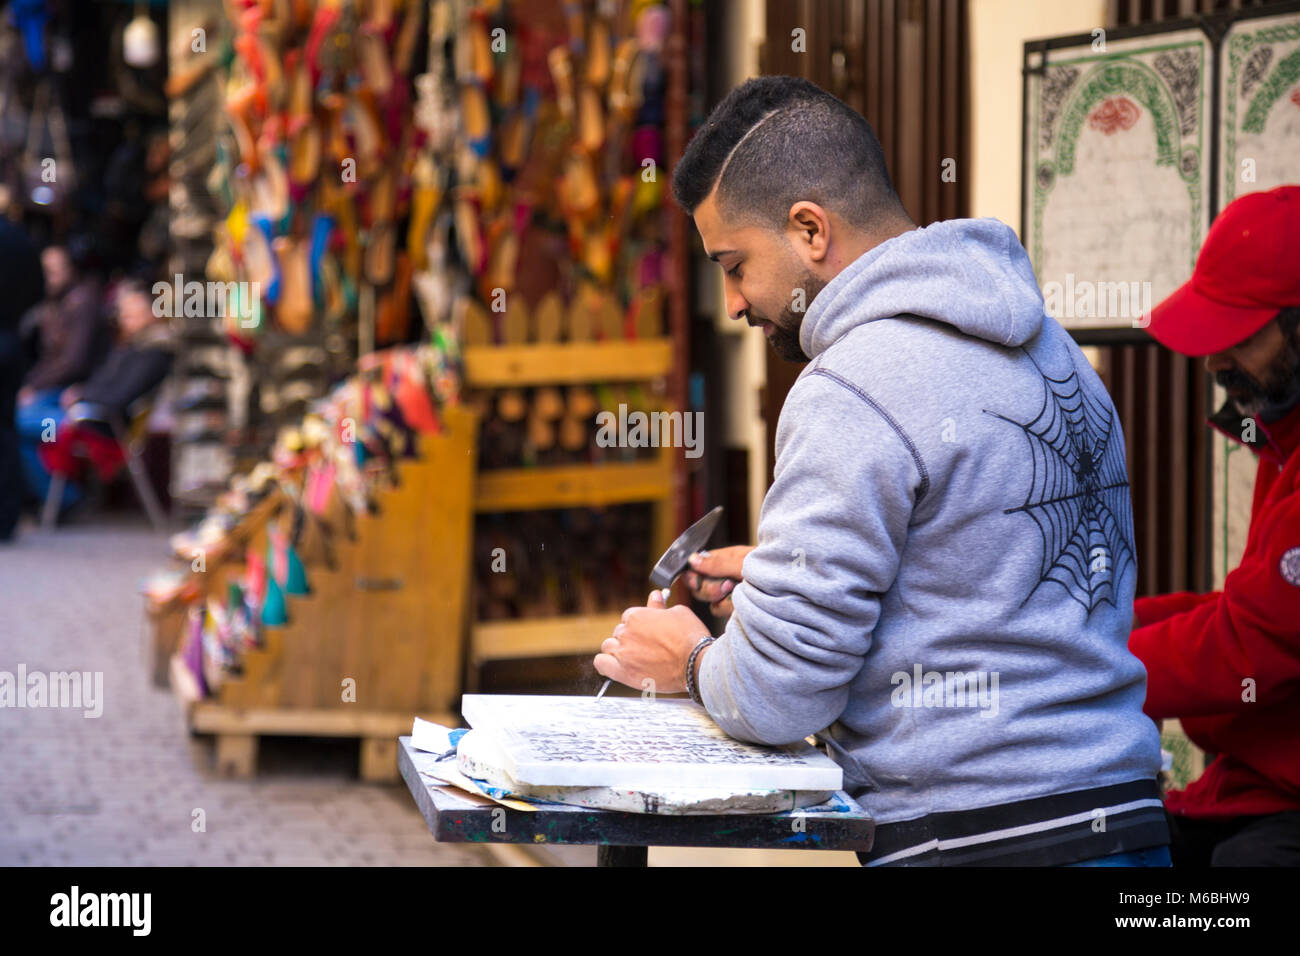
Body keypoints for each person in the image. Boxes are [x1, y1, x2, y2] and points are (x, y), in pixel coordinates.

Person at [593, 76, 1168, 866]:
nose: (732, 302)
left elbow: (776, 694)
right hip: (1127, 820)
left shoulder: (851, 384)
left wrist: (688, 660)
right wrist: (786, 579)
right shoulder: (1058, 353)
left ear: (808, 230)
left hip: (973, 839)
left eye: (734, 264)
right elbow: (985, 578)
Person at [1128, 185, 1300, 867]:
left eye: (1241, 336)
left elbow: (1251, 645)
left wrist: (1085, 665)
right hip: (1256, 786)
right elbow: (1245, 606)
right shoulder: (1282, 437)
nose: (1215, 362)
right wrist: (1101, 625)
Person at [15, 240, 105, 502]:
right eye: (45, 270)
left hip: (71, 409)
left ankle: (65, 498)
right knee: (18, 432)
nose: (49, 277)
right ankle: (53, 498)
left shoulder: (82, 302)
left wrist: (33, 388)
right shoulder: (54, 304)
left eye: (55, 270)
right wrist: (28, 387)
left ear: (71, 270)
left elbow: (73, 362)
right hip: (51, 401)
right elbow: (48, 361)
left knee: (18, 427)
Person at [0, 217, 46, 540]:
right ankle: (6, 517)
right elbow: (38, 291)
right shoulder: (20, 239)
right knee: (6, 428)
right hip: (9, 343)